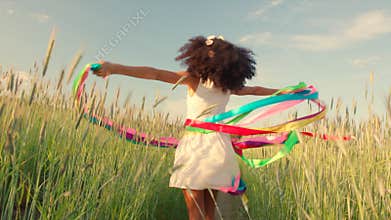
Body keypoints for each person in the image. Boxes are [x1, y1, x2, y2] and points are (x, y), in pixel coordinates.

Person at [93, 35, 279, 220]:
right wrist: (288, 92)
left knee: (194, 214)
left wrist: (114, 68)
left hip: (195, 148)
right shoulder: (227, 86)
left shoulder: (193, 79)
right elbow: (256, 90)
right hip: (219, 149)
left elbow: (155, 73)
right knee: (209, 215)